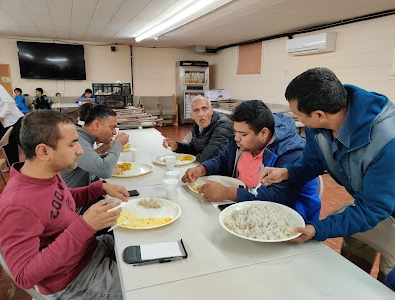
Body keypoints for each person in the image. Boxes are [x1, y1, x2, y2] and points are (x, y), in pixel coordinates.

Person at [259, 67, 395, 282]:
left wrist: (317, 228)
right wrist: (288, 172)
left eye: (298, 115)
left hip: (384, 206)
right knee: (351, 269)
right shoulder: (321, 124)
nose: (296, 119)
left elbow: (374, 209)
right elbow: (313, 162)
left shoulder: (387, 141)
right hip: (364, 202)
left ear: (319, 115)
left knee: (387, 279)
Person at [0, 110, 128, 299]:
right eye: (72, 144)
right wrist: (85, 226)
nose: (81, 150)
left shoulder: (47, 173)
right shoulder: (16, 206)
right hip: (74, 279)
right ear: (44, 151)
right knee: (148, 286)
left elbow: (60, 203)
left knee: (147, 247)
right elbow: (24, 276)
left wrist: (98, 189)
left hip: (90, 250)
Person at [182, 100, 320, 222]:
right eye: (235, 132)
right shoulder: (240, 141)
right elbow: (223, 160)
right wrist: (202, 169)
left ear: (263, 133)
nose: (236, 138)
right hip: (242, 206)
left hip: (283, 221)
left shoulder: (290, 152)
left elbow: (280, 197)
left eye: (243, 134)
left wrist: (227, 193)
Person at [61, 104, 129, 188]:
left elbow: (87, 160)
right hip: (71, 198)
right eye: (112, 127)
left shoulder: (81, 135)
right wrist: (118, 143)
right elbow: (105, 171)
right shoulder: (77, 139)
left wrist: (103, 150)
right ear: (96, 124)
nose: (114, 132)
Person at [163, 96, 232, 162]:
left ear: (211, 111)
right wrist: (177, 146)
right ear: (192, 116)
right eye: (196, 110)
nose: (201, 114)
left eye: (204, 109)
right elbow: (194, 149)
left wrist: (189, 159)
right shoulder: (197, 127)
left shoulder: (223, 125)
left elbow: (209, 155)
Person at [0, 82, 24, 165]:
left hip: (11, 120)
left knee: (21, 145)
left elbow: (9, 102)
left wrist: (1, 117)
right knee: (7, 147)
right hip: (0, 122)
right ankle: (12, 166)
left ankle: (33, 167)